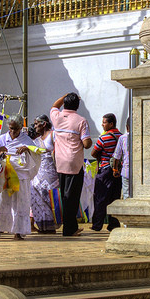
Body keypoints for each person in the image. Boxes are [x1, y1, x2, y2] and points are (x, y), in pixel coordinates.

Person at [49, 92, 95, 237]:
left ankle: (70, 227)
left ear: (65, 104)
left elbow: (54, 105)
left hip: (60, 162)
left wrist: (64, 96)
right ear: (77, 105)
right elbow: (87, 144)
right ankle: (69, 229)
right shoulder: (81, 120)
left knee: (65, 196)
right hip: (74, 164)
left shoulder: (56, 117)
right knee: (73, 197)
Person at [0, 116, 39, 240]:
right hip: (6, 173)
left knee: (20, 203)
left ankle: (18, 231)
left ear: (20, 128)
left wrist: (27, 149)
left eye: (16, 129)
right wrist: (1, 154)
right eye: (11, 129)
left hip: (21, 174)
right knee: (2, 201)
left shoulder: (27, 140)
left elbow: (37, 152)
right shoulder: (3, 138)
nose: (13, 132)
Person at [89, 113, 123, 232]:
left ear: (111, 124)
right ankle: (113, 224)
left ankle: (97, 225)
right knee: (115, 197)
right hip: (118, 170)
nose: (102, 125)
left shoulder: (104, 137)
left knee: (100, 197)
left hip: (105, 169)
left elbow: (93, 153)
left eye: (104, 122)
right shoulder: (121, 136)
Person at [28, 117, 60, 232]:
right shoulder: (36, 140)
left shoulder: (53, 135)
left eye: (36, 124)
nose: (35, 126)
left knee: (50, 197)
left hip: (51, 171)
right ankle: (43, 225)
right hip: (38, 170)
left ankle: (52, 224)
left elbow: (59, 151)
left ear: (44, 124)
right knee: (38, 196)